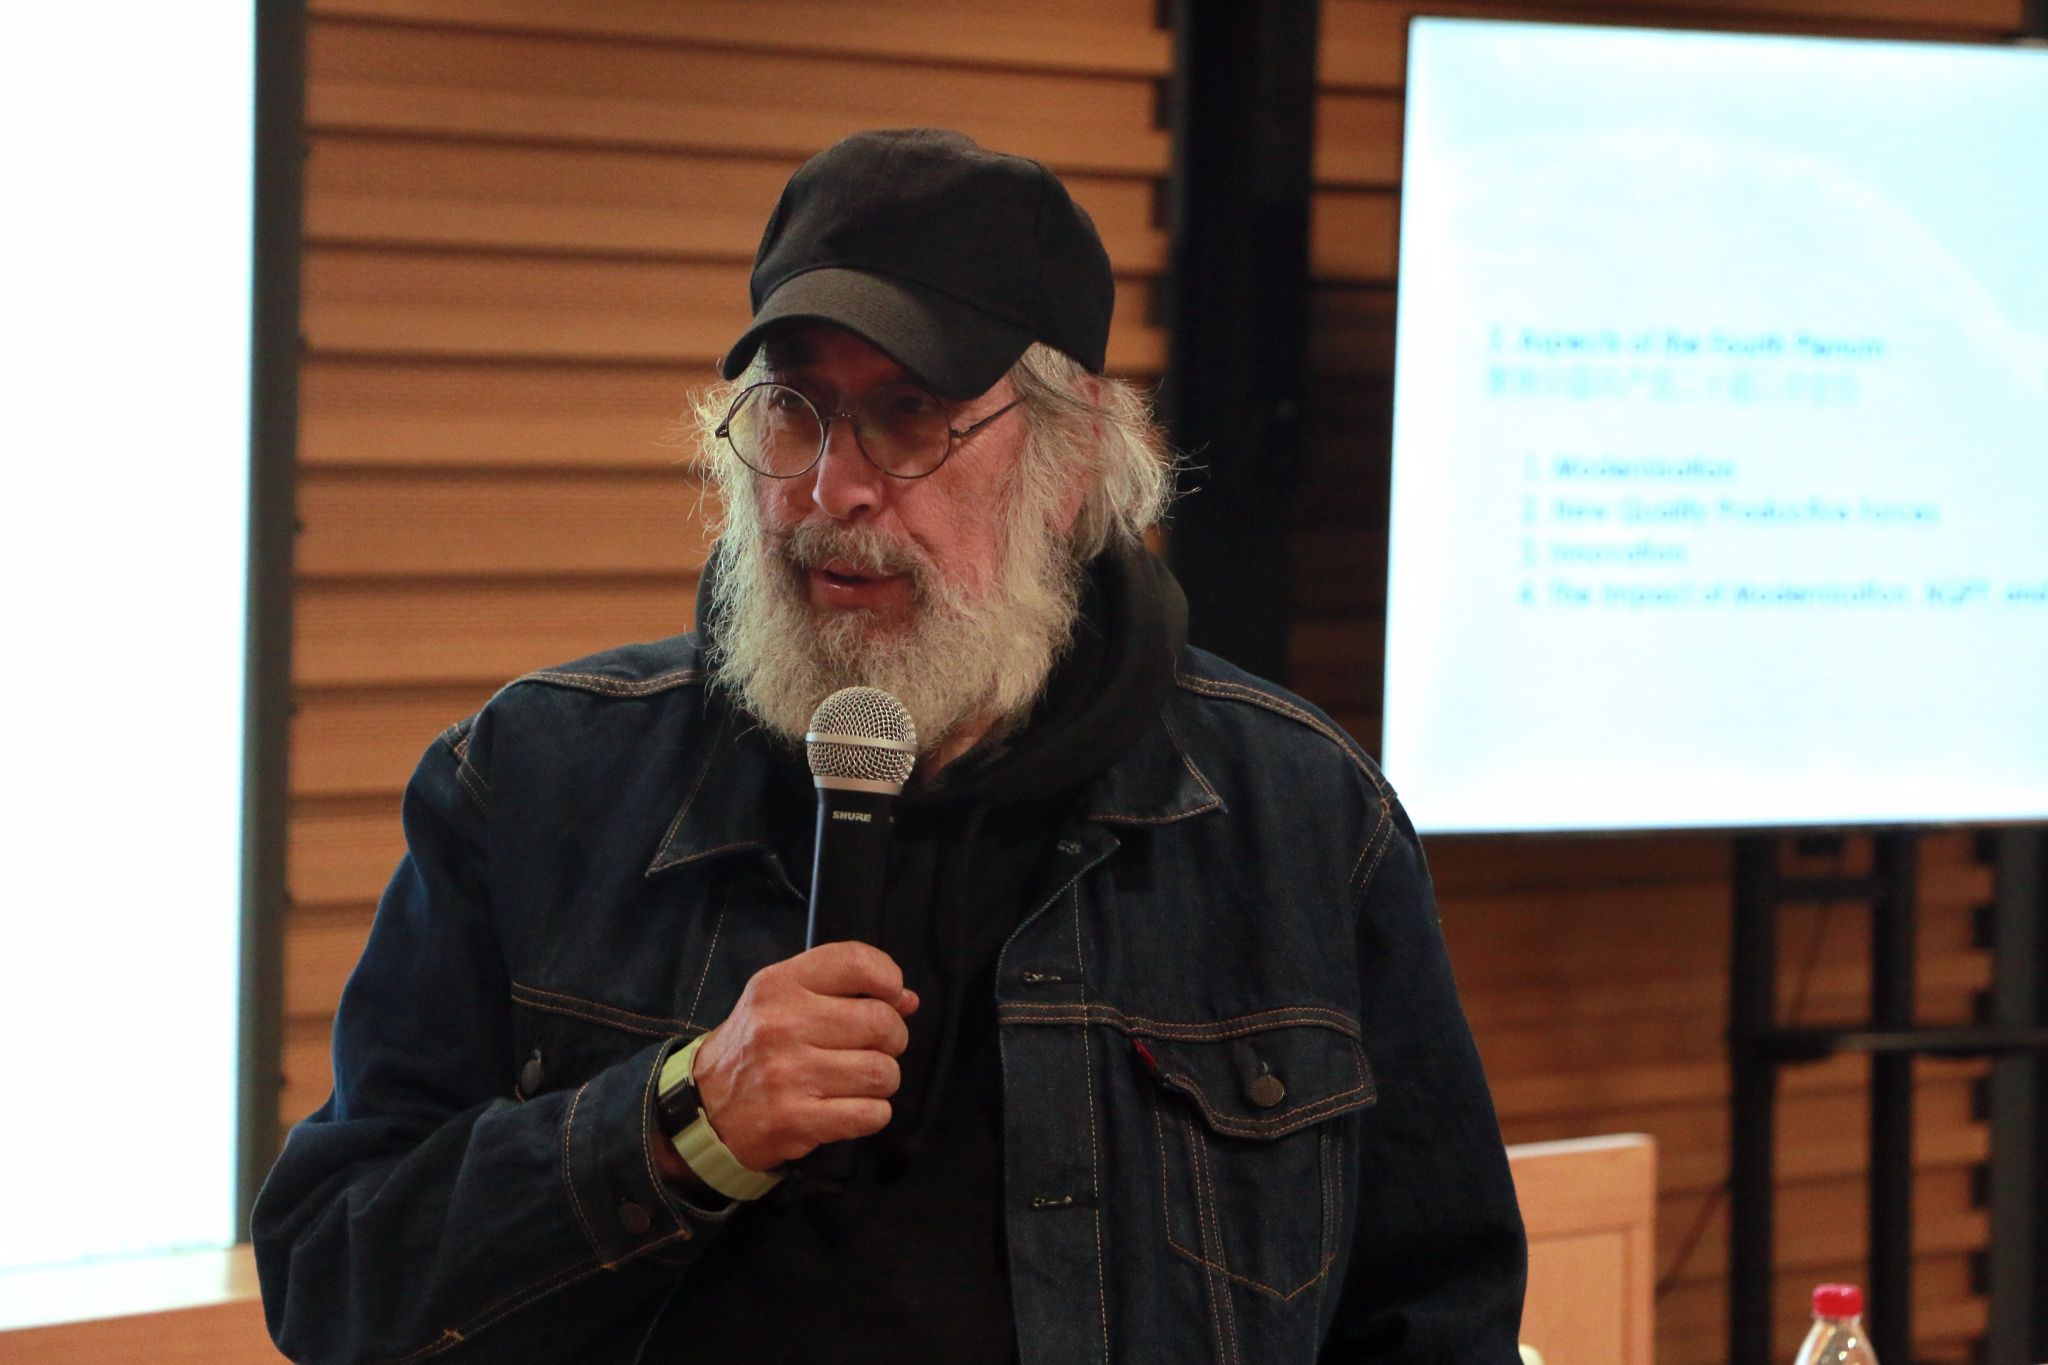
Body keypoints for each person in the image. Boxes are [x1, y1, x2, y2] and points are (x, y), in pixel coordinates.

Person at [253, 127, 1526, 1363]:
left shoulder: (1294, 814)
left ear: (1073, 460)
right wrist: (680, 1124)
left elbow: (1435, 1314)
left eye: (909, 416)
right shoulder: (537, 781)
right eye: (796, 411)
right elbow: (333, 1277)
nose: (830, 489)